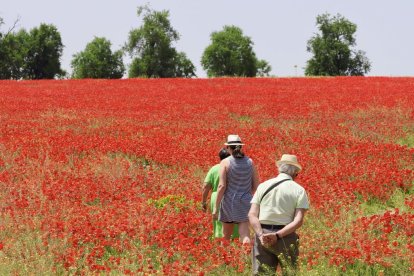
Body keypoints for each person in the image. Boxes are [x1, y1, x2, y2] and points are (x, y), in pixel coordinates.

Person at [248, 154, 310, 275]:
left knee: (262, 273)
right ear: (295, 173)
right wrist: (277, 235)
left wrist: (260, 235)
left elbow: (252, 215)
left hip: (263, 235)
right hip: (285, 236)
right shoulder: (298, 190)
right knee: (289, 272)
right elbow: (298, 220)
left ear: (279, 168)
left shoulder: (263, 186)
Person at [213, 134, 259, 244]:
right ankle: (246, 256)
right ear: (240, 147)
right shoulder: (250, 162)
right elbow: (256, 186)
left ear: (228, 147)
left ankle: (224, 258)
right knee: (245, 233)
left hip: (229, 202)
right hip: (245, 201)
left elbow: (221, 186)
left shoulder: (225, 162)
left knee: (226, 235)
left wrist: (216, 206)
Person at [202, 148, 239, 238]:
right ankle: (234, 242)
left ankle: (221, 243)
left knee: (218, 221)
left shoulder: (214, 169)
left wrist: (203, 201)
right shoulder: (235, 168)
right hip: (233, 196)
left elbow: (206, 187)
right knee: (234, 221)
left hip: (216, 196)